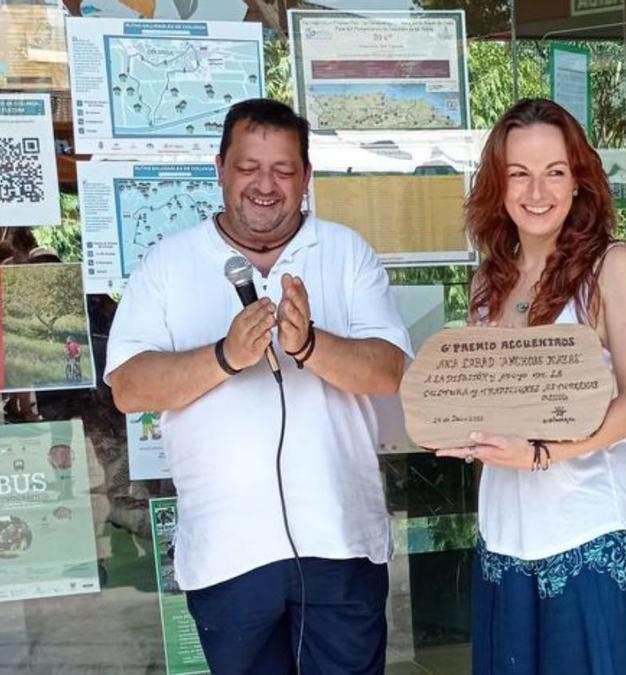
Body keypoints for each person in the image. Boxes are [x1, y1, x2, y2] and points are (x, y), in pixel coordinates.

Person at [106, 99, 411, 674]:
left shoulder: (346, 253)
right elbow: (128, 386)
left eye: (283, 170)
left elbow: (388, 371)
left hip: (340, 542)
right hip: (228, 554)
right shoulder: (169, 263)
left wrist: (312, 346)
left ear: (307, 176)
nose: (264, 186)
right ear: (219, 168)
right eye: (248, 168)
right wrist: (224, 357)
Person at [436, 98, 626, 674]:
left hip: (586, 524)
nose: (537, 192)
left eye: (554, 172)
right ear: (498, 184)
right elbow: (486, 399)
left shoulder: (613, 266)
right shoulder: (489, 278)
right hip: (505, 529)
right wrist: (462, 430)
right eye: (519, 174)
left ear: (579, 180)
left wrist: (541, 454)